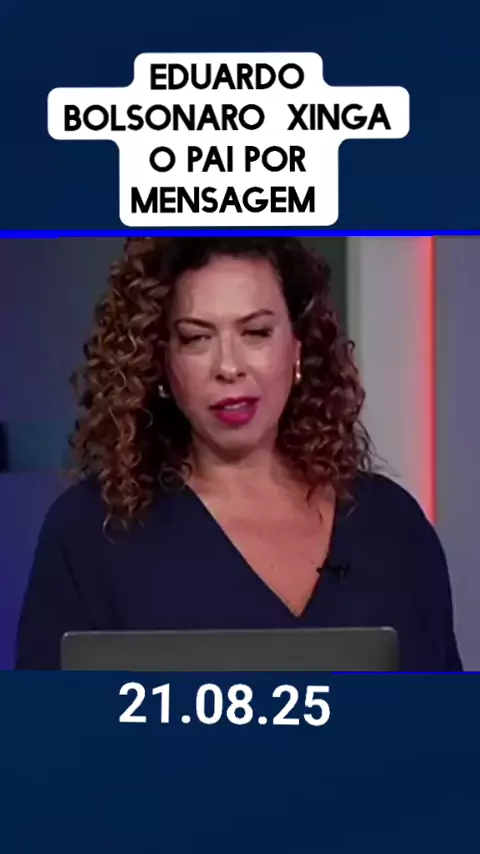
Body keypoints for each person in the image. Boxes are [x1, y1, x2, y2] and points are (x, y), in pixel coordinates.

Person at [15, 237, 462, 671]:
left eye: (256, 332)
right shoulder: (92, 534)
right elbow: (48, 721)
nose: (228, 367)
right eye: (196, 338)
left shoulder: (393, 527)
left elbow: (444, 718)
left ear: (297, 349)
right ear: (162, 364)